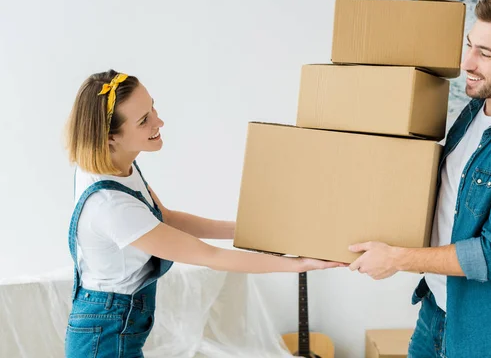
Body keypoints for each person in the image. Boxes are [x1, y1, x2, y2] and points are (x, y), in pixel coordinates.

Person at [347, 0, 491, 357]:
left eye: (485, 53)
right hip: (435, 310)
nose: (468, 62)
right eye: (470, 46)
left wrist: (396, 258)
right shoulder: (473, 111)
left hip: (487, 338)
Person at [64, 70, 342, 358]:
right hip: (104, 338)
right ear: (110, 138)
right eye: (144, 120)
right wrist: (299, 264)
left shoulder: (115, 165)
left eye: (153, 108)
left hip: (112, 326)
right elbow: (210, 256)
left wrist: (260, 230)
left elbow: (167, 219)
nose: (159, 121)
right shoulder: (111, 206)